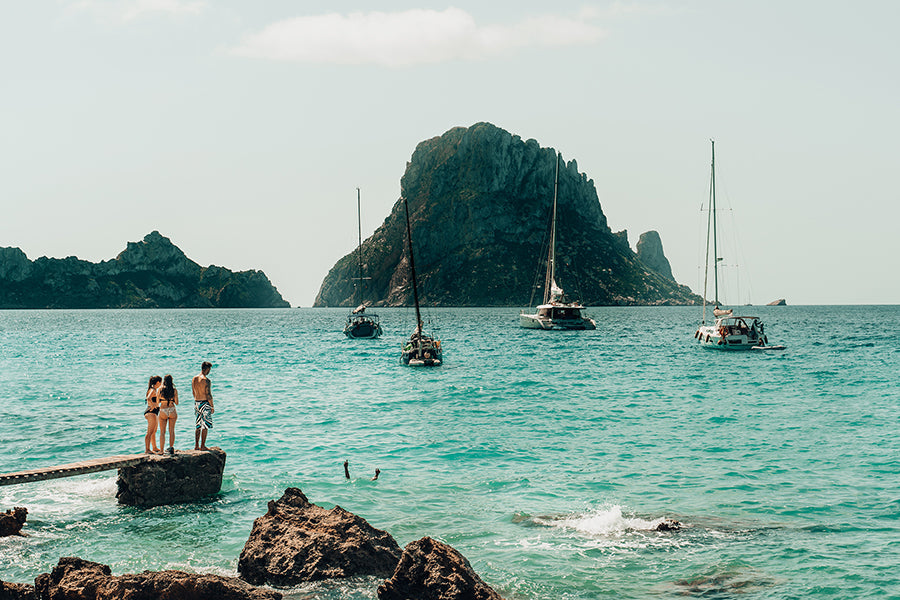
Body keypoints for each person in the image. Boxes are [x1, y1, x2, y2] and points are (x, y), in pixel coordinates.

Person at [192, 361, 214, 451]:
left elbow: (193, 392)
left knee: (198, 425)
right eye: (209, 369)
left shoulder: (194, 378)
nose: (209, 371)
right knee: (205, 426)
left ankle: (196, 445)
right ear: (207, 369)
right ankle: (203, 446)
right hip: (205, 403)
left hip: (197, 403)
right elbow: (208, 394)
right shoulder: (206, 380)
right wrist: (212, 406)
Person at [158, 374, 179, 454]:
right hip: (172, 409)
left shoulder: (160, 390)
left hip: (163, 410)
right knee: (171, 431)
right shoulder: (174, 390)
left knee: (162, 432)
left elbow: (157, 402)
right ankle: (171, 448)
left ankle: (161, 450)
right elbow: (177, 402)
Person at [143, 376, 163, 454]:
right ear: (158, 382)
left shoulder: (154, 390)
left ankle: (154, 447)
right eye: (160, 382)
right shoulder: (152, 390)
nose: (161, 384)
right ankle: (147, 449)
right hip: (151, 412)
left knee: (154, 431)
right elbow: (148, 398)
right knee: (150, 432)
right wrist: (153, 406)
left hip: (154, 412)